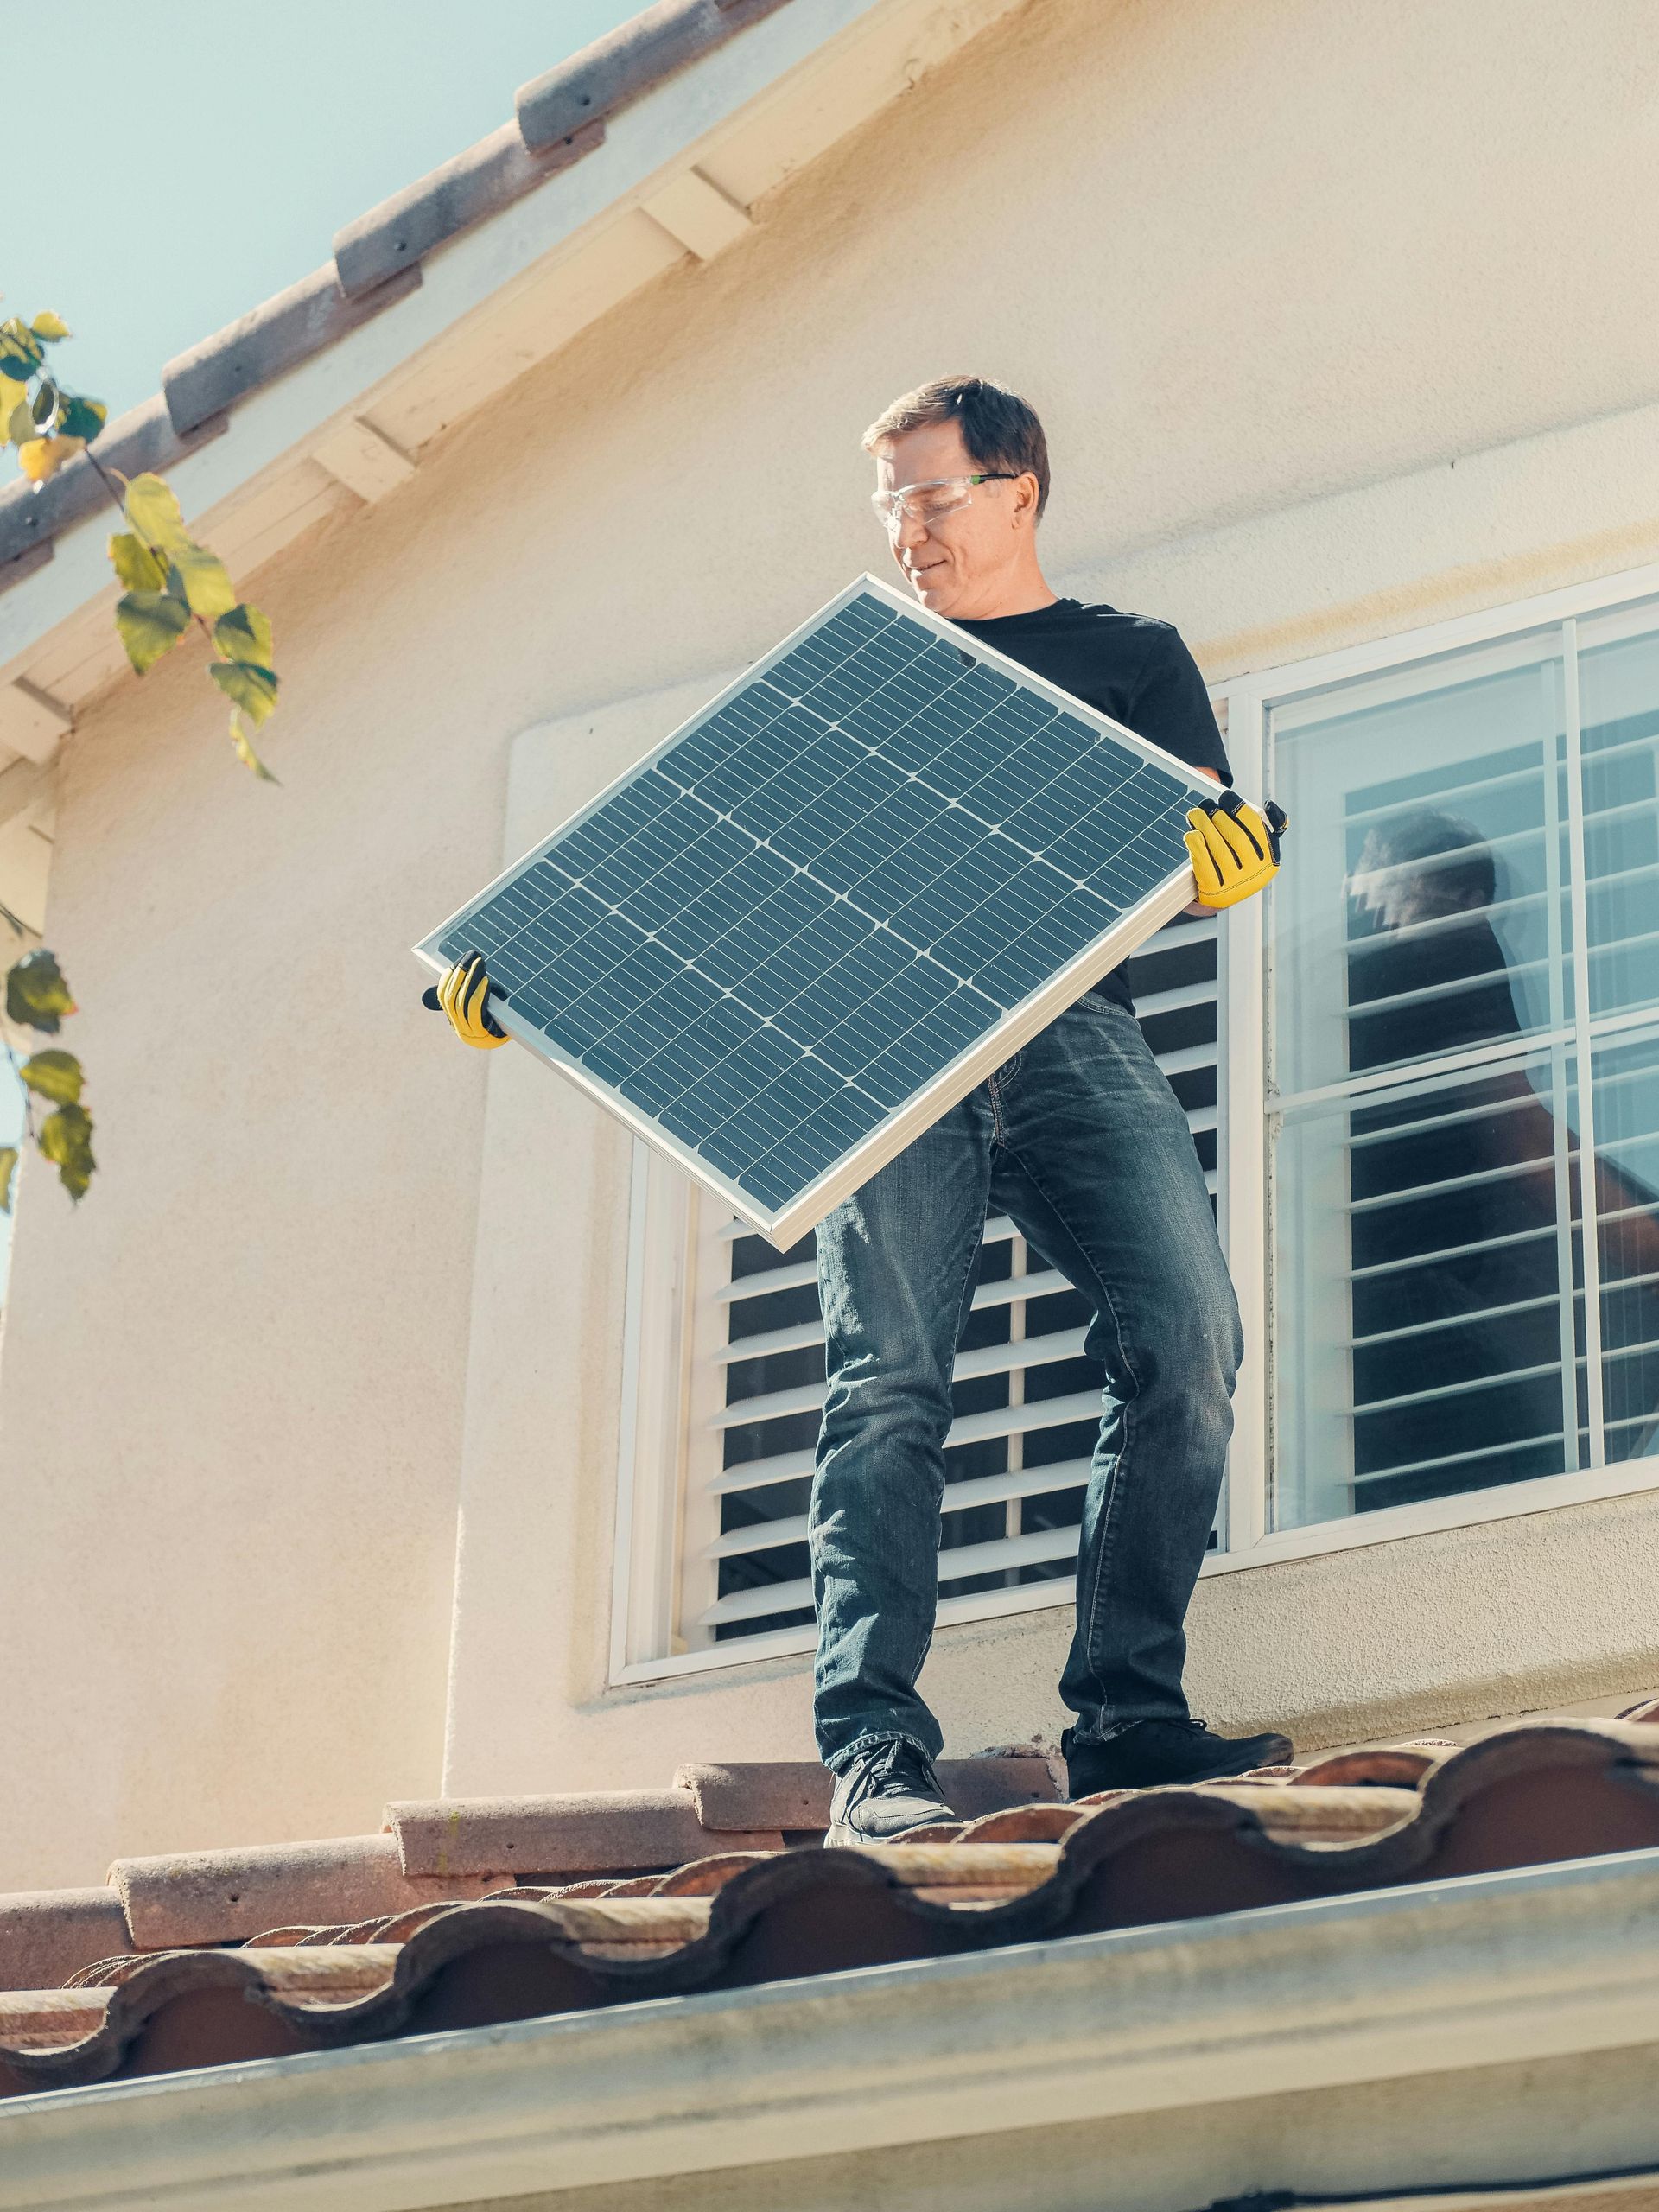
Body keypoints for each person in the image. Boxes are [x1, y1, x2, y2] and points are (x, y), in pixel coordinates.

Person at [430, 376, 1293, 1844]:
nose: (907, 529)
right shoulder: (858, 687)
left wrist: (1231, 847)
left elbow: (1199, 815)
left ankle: (1131, 1718)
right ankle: (876, 1756)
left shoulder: (1127, 659)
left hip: (1075, 1032)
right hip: (896, 1061)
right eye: (888, 500)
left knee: (1189, 1343)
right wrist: (520, 976)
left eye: (934, 494)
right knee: (886, 1384)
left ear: (1019, 490)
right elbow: (688, 886)